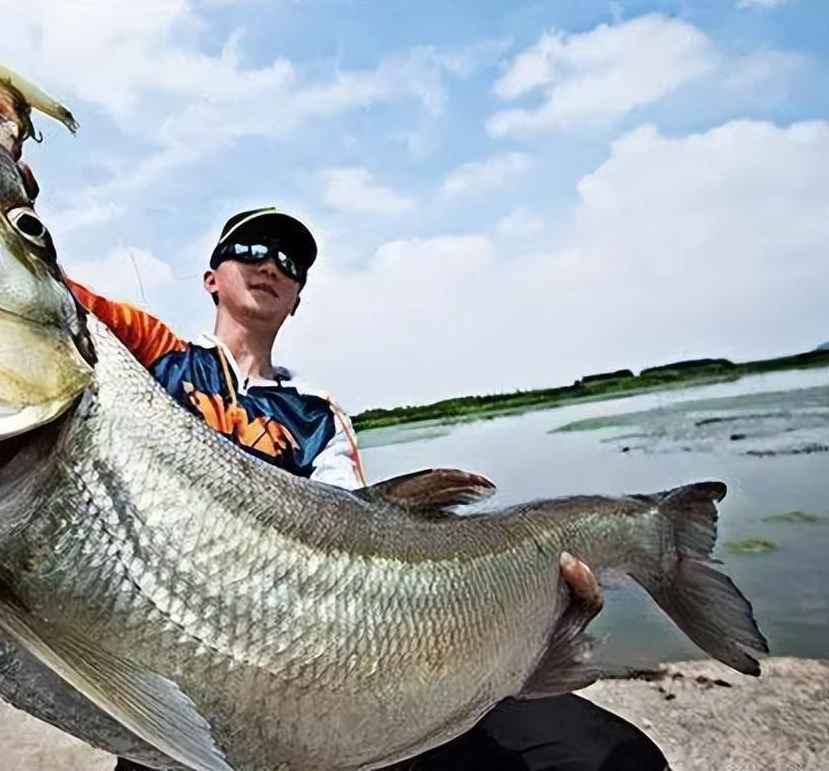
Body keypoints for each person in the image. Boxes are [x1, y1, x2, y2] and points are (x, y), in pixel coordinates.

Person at [64, 207, 666, 771]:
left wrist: (531, 621)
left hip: (317, 663)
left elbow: (360, 543)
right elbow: (36, 291)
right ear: (210, 279)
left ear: (298, 299)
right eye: (249, 248)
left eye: (290, 263)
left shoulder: (319, 417)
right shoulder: (147, 355)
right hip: (174, 672)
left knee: (609, 757)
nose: (270, 264)